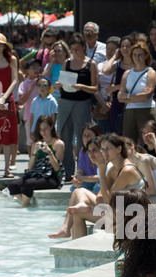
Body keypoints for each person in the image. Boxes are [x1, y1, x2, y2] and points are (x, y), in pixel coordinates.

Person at [68, 134, 146, 239]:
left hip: (131, 219)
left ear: (119, 149)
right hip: (118, 211)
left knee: (78, 213)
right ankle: (75, 252)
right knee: (79, 193)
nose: (104, 152)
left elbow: (109, 199)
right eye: (103, 149)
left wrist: (102, 173)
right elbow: (102, 195)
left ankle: (75, 250)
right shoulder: (114, 168)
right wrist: (105, 204)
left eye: (108, 149)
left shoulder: (127, 170)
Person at [55, 33, 98, 181]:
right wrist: (59, 85)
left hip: (82, 103)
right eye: (72, 49)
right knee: (64, 136)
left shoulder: (91, 64)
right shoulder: (67, 62)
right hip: (65, 101)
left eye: (78, 48)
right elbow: (62, 82)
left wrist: (82, 86)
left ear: (84, 48)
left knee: (83, 138)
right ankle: (67, 172)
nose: (75, 51)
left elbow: (95, 88)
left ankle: (83, 170)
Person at [48, 123, 103, 239]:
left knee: (92, 187)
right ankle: (66, 227)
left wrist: (83, 178)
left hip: (106, 203)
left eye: (89, 135)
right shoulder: (83, 152)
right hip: (94, 191)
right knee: (76, 189)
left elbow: (103, 177)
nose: (86, 138)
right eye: (84, 135)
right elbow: (81, 170)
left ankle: (68, 225)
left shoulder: (104, 154)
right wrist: (77, 177)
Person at [8, 115, 64, 207]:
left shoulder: (58, 144)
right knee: (13, 185)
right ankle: (27, 206)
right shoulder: (36, 143)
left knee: (29, 184)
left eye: (45, 128)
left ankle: (24, 207)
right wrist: (34, 153)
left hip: (53, 177)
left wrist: (49, 152)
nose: (43, 132)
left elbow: (57, 168)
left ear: (51, 126)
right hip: (38, 174)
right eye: (40, 129)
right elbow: (30, 167)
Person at [118, 41, 156, 143]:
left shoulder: (150, 72)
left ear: (146, 56)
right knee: (128, 143)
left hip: (146, 110)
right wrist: (136, 96)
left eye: (140, 54)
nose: (137, 57)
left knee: (148, 142)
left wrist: (127, 97)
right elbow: (119, 96)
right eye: (134, 54)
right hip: (129, 111)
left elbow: (146, 97)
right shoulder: (127, 73)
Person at [125, 137, 156, 203]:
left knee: (128, 202)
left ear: (132, 145)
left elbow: (152, 189)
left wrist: (132, 193)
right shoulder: (133, 162)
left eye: (124, 148)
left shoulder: (144, 160)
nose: (122, 152)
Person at [102, 35, 134, 134]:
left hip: (132, 100)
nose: (125, 49)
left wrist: (115, 87)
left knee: (129, 133)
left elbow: (133, 83)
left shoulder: (137, 64)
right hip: (117, 102)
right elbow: (105, 70)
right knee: (115, 133)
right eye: (122, 46)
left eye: (128, 46)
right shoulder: (118, 64)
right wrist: (114, 57)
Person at [0, 33, 18, 178]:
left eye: (0, 44)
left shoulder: (12, 60)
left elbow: (14, 80)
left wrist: (4, 98)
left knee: (6, 135)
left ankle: (6, 169)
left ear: (5, 45)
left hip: (7, 101)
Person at [93, 36, 121, 133]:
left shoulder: (121, 66)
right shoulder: (100, 66)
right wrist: (103, 104)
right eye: (108, 48)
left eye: (112, 50)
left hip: (117, 104)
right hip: (102, 104)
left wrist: (112, 104)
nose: (109, 52)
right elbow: (96, 88)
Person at [18, 58, 41, 156]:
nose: (36, 69)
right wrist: (32, 87)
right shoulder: (24, 84)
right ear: (27, 70)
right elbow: (21, 100)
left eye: (38, 67)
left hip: (43, 116)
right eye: (33, 67)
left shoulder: (43, 81)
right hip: (29, 116)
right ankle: (31, 163)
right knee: (30, 141)